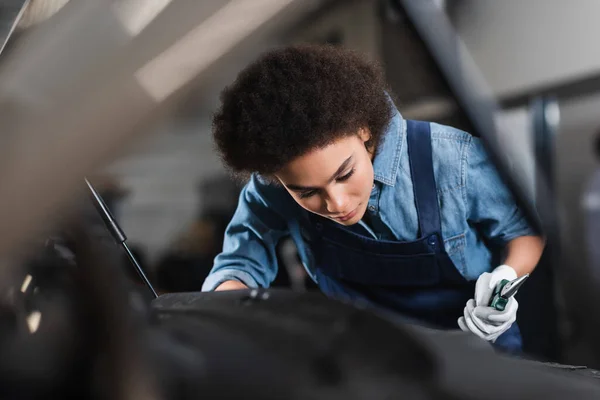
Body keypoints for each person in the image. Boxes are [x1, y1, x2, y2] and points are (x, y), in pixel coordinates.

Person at [201, 44, 545, 353]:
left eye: (345, 174)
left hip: (476, 350)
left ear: (364, 132)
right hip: (367, 358)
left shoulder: (453, 159)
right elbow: (240, 262)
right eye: (307, 192)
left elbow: (525, 232)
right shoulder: (273, 187)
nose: (336, 204)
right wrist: (228, 310)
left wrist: (504, 277)